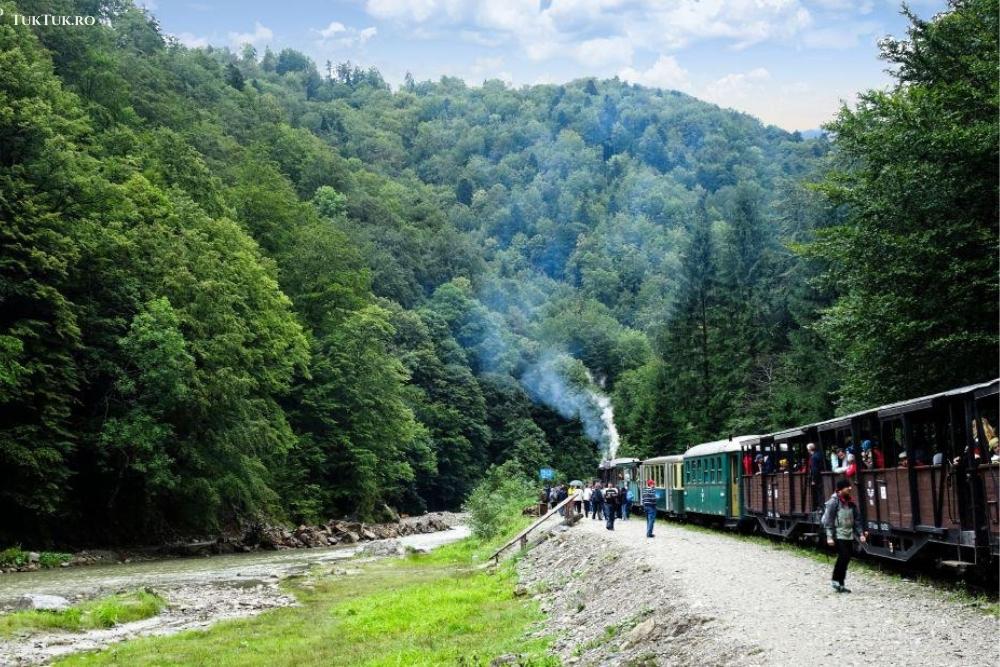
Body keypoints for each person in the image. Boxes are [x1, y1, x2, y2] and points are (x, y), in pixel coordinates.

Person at [822, 479, 867, 593]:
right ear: (840, 489)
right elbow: (828, 520)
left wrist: (861, 534)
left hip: (849, 535)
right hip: (838, 534)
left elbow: (856, 520)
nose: (850, 488)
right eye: (848, 487)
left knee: (846, 559)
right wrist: (829, 536)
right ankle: (835, 580)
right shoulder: (833, 503)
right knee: (843, 557)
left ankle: (840, 583)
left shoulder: (851, 503)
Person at [807, 442, 824, 510]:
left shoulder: (813, 457)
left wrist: (814, 479)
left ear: (809, 449)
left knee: (819, 492)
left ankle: (821, 507)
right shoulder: (819, 454)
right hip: (821, 476)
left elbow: (814, 470)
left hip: (818, 478)